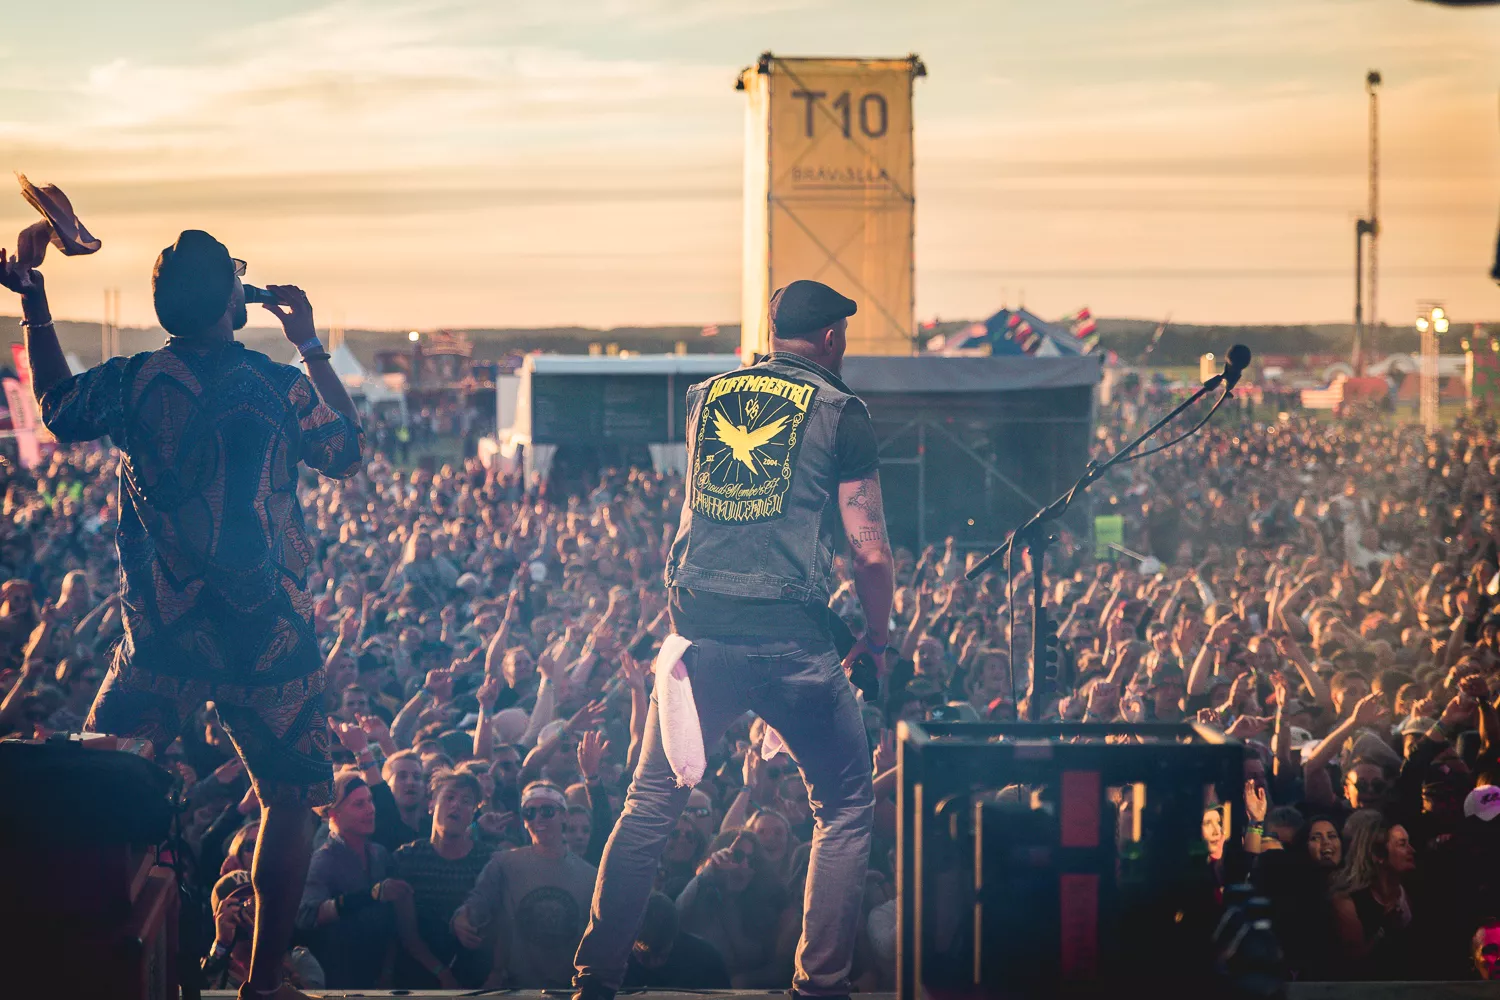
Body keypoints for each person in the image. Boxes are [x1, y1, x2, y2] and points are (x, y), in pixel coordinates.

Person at [2, 229, 363, 1000]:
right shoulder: (279, 383)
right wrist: (309, 346)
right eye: (237, 276)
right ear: (231, 299)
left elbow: (58, 409)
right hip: (272, 639)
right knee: (289, 802)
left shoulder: (135, 380)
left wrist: (35, 304)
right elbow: (346, 451)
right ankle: (262, 983)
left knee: (97, 784)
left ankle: (88, 965)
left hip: (163, 638)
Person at [572, 279, 894, 1000]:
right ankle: (820, 985)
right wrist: (875, 637)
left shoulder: (706, 398)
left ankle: (594, 979)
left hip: (700, 636)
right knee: (845, 806)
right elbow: (869, 549)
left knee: (648, 805)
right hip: (790, 642)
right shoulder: (840, 411)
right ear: (833, 338)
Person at [453, 781, 598, 988]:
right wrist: (461, 918)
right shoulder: (504, 863)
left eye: (547, 811)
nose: (538, 818)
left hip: (569, 989)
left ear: (564, 816)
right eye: (529, 813)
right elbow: (478, 901)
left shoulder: (590, 876)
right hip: (516, 987)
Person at [297, 770, 407, 987]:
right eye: (359, 804)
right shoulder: (323, 861)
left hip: (382, 975)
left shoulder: (379, 854)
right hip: (340, 981)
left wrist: (388, 968)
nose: (370, 809)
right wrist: (369, 896)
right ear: (333, 814)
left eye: (370, 801)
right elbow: (307, 917)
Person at [391, 768, 493, 989]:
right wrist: (442, 973)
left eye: (466, 801)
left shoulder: (488, 860)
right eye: (449, 797)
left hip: (475, 978)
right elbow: (407, 934)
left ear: (474, 813)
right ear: (431, 805)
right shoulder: (407, 858)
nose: (456, 805)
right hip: (418, 977)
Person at [622, 891, 731, 989]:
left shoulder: (706, 961)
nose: (655, 963)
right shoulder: (616, 964)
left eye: (662, 955)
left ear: (675, 936)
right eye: (645, 957)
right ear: (631, 940)